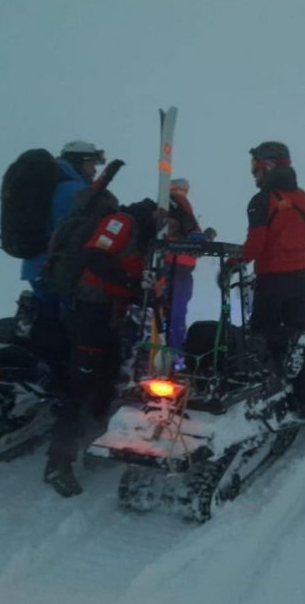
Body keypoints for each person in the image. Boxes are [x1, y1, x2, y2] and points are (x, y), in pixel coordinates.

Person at [43, 197, 159, 497]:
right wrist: (131, 283)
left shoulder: (146, 239)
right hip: (90, 314)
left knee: (107, 384)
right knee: (80, 386)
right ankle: (58, 463)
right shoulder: (122, 222)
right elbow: (95, 256)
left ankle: (94, 444)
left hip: (111, 318)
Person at [240, 141, 305, 420]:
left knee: (262, 333)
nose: (253, 174)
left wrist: (232, 262)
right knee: (300, 332)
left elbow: (256, 245)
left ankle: (267, 397)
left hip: (272, 279)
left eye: (255, 166)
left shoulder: (262, 201)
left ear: (269, 166)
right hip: (301, 278)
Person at [21, 140, 106, 319]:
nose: (95, 170)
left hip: (38, 264)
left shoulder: (58, 184)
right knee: (64, 321)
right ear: (80, 161)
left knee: (47, 318)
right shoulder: (73, 190)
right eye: (91, 164)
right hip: (56, 268)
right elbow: (80, 230)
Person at [162, 178, 202, 354]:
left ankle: (171, 348)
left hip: (173, 263)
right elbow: (192, 232)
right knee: (176, 312)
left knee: (169, 310)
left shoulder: (166, 205)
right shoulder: (179, 203)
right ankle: (174, 351)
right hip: (178, 264)